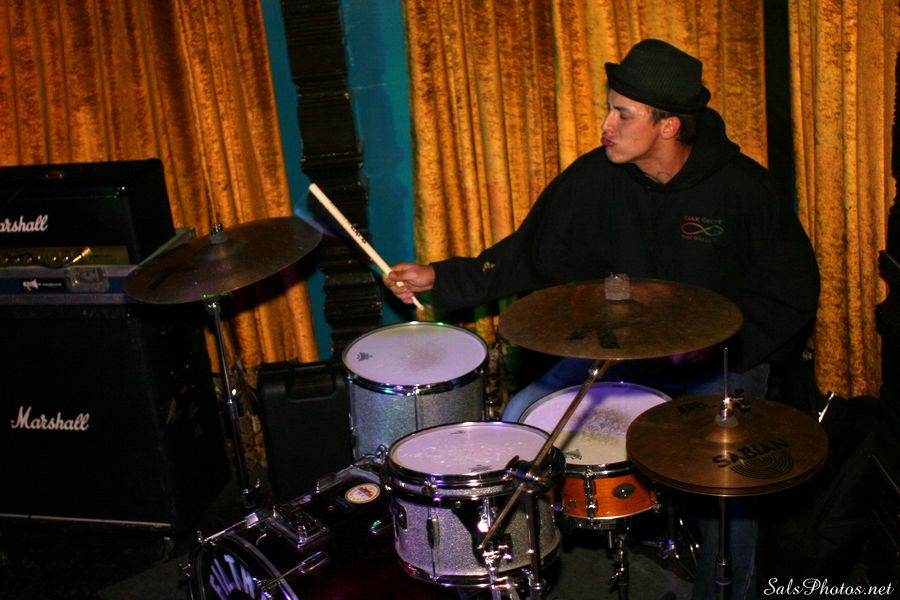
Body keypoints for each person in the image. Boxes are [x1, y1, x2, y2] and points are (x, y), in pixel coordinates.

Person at [387, 39, 820, 600]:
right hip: (620, 349)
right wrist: (439, 279)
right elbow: (525, 253)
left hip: (720, 361)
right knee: (520, 417)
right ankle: (514, 574)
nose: (606, 125)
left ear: (668, 126)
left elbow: (791, 291)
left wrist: (727, 347)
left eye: (622, 114)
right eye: (609, 109)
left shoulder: (743, 190)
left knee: (724, 481)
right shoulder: (595, 179)